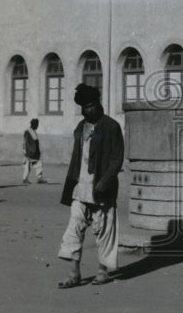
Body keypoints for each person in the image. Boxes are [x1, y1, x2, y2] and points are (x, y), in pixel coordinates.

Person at [57, 84, 125, 288]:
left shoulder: (111, 126)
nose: (87, 110)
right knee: (74, 227)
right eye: (83, 107)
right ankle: (74, 272)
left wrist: (105, 181)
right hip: (81, 187)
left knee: (103, 229)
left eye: (90, 106)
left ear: (98, 104)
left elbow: (117, 159)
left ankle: (102, 271)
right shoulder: (80, 127)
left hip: (102, 188)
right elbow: (77, 158)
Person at [22, 118, 45, 184]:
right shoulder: (28, 132)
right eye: (37, 125)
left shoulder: (32, 131)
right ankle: (37, 178)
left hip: (34, 153)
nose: (37, 126)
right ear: (33, 124)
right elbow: (26, 143)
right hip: (31, 153)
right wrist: (29, 151)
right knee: (31, 165)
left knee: (34, 165)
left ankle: (37, 178)